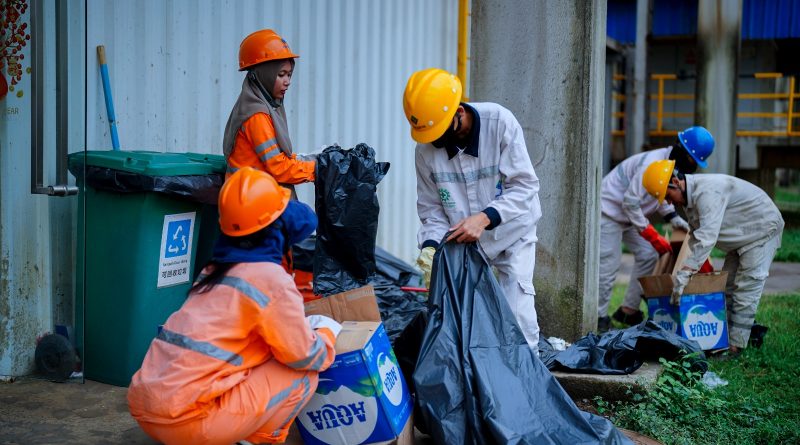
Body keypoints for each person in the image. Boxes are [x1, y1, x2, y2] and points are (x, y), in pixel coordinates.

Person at [128, 167, 341, 445]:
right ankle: (256, 440)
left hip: (147, 408)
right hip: (187, 423)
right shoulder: (269, 278)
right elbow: (306, 356)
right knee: (302, 376)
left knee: (266, 356)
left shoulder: (214, 271)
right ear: (275, 227)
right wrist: (326, 332)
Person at [403, 68, 542, 350]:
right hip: (465, 238)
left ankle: (526, 378)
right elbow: (432, 209)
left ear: (458, 112)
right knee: (458, 314)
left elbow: (525, 186)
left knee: (517, 307)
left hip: (513, 227)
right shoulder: (426, 152)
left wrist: (484, 218)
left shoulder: (499, 122)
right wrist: (430, 247)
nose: (435, 141)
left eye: (439, 132)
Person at [642, 159, 784, 355]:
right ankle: (727, 338)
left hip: (762, 229)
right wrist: (683, 271)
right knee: (728, 288)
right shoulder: (689, 199)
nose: (668, 202)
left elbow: (707, 237)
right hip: (742, 235)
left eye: (667, 195)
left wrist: (685, 273)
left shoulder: (708, 192)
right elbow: (696, 237)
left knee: (746, 288)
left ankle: (735, 347)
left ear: (676, 181)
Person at [597, 126, 715, 332]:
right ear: (684, 153)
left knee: (648, 254)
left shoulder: (671, 166)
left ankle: (627, 311)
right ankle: (598, 317)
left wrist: (674, 218)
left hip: (630, 215)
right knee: (609, 264)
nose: (691, 167)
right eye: (692, 162)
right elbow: (630, 203)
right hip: (609, 211)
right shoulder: (652, 164)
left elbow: (659, 193)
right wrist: (651, 235)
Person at [223, 29, 316, 191]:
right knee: (303, 217)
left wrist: (312, 160)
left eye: (289, 75)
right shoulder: (256, 115)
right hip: (250, 202)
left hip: (255, 194)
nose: (287, 82)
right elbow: (278, 167)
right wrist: (318, 169)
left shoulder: (262, 105)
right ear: (264, 75)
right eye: (281, 74)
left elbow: (275, 157)